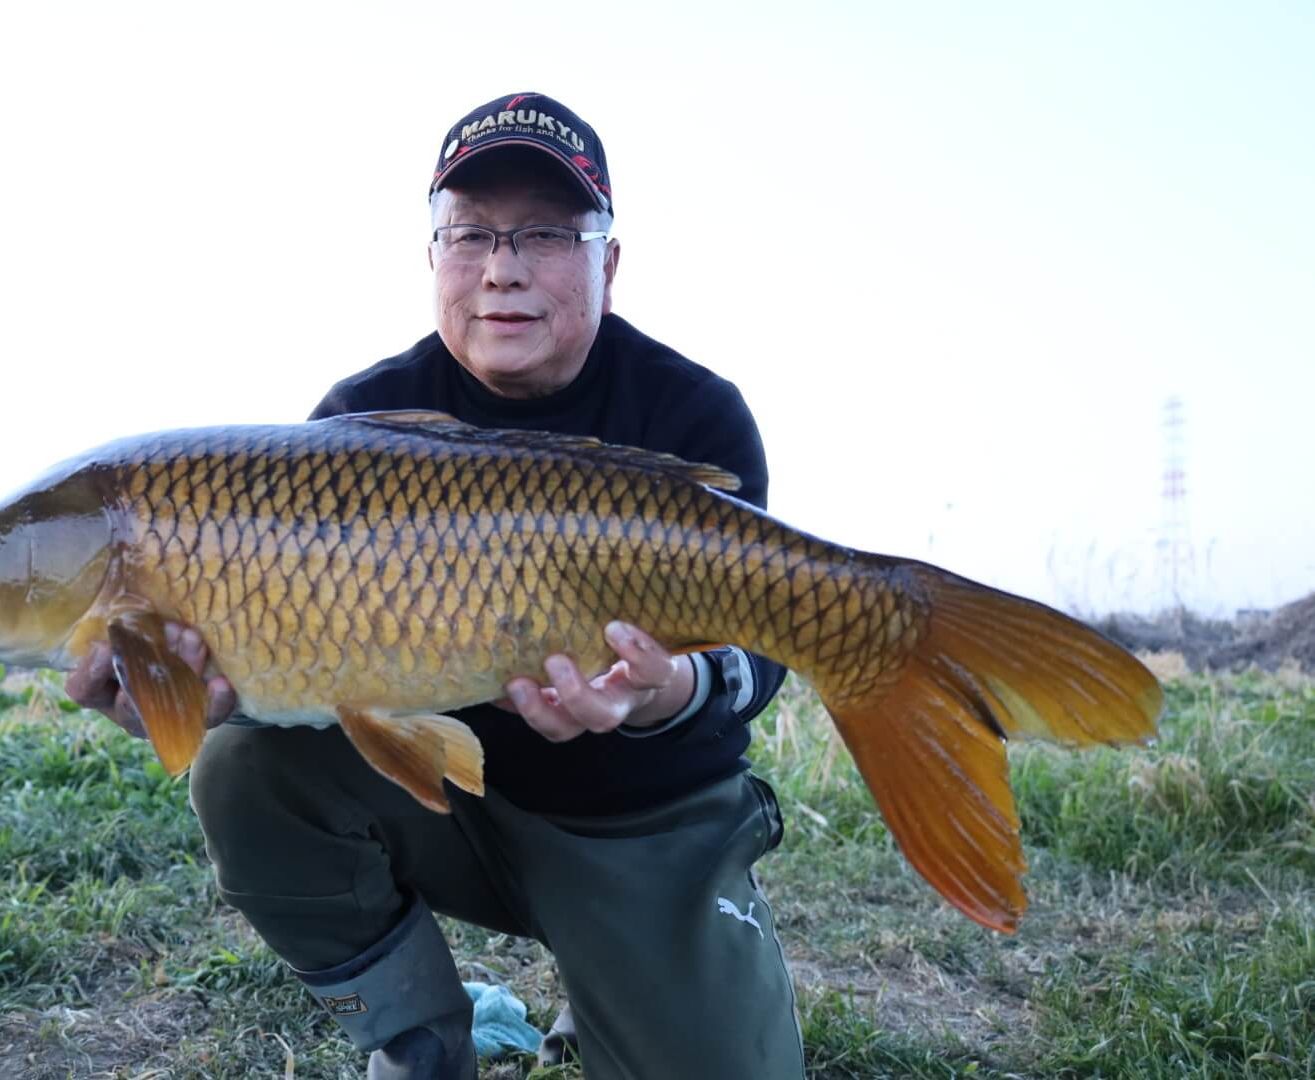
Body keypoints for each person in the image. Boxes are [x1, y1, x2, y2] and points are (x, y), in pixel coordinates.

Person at [66, 92, 804, 1079]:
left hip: (645, 826)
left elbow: (766, 650)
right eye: (471, 235)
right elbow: (293, 664)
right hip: (456, 806)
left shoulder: (694, 416)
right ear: (433, 260)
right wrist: (192, 695)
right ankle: (415, 1038)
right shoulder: (356, 422)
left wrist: (667, 695)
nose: (502, 268)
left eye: (545, 233)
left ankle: (623, 969)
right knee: (242, 768)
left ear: (608, 263)